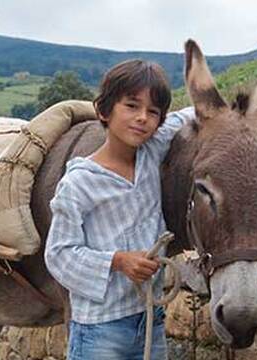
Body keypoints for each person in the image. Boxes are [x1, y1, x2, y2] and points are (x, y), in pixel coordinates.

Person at [44, 60, 194, 359]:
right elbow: (58, 254)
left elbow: (192, 115)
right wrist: (117, 261)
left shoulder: (151, 153)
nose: (142, 118)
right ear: (103, 110)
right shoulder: (79, 184)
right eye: (131, 106)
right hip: (100, 331)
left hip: (150, 320)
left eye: (153, 112)